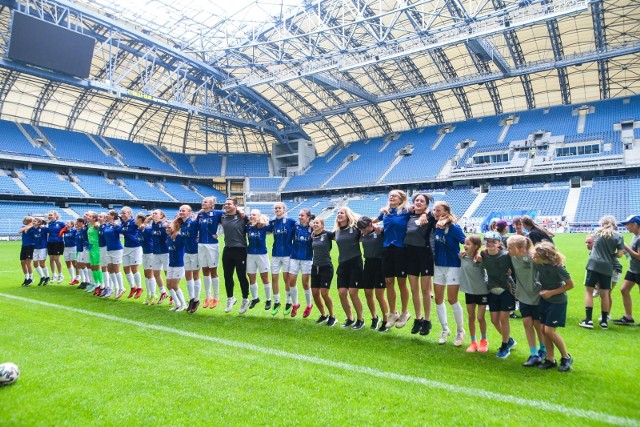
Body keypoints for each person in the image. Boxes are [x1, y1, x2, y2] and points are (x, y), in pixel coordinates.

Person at [533, 241, 574, 372]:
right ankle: (550, 359)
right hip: (544, 300)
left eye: (535, 256)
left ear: (544, 257)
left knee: (550, 331)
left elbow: (570, 285)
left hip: (557, 301)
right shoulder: (539, 263)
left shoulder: (558, 267)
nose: (533, 257)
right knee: (544, 330)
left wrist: (551, 293)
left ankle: (566, 357)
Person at [374, 190, 412, 329]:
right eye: (390, 196)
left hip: (401, 249)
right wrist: (372, 226)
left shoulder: (407, 210)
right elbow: (373, 221)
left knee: (402, 283)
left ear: (401, 199)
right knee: (389, 282)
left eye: (394, 196)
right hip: (386, 249)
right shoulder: (385, 212)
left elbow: (423, 212)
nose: (391, 197)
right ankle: (392, 313)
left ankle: (404, 312)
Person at [507, 235, 547, 366]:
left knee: (537, 323)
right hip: (523, 295)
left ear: (521, 248)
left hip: (537, 295)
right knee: (526, 322)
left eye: (510, 247)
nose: (508, 250)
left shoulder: (534, 258)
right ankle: (533, 353)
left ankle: (543, 349)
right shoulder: (512, 257)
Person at [579, 215, 624, 329]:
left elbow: (591, 246)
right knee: (605, 294)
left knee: (589, 291)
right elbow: (620, 254)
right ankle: (604, 322)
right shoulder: (619, 236)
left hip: (593, 265)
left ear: (603, 224)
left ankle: (588, 320)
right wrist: (610, 255)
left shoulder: (597, 233)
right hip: (607, 267)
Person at [432, 201, 466, 346]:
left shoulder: (455, 228)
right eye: (434, 210)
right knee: (438, 299)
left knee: (452, 299)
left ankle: (460, 331)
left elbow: (466, 241)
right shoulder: (435, 227)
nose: (435, 212)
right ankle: (445, 329)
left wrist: (468, 251)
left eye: (438, 210)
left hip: (453, 266)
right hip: (438, 266)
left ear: (446, 211)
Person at [404, 193, 436, 336]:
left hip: (425, 255)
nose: (418, 202)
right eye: (416, 200)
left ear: (426, 204)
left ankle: (427, 321)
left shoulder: (429, 217)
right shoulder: (408, 216)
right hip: (410, 256)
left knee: (425, 290)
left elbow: (441, 213)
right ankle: (418, 319)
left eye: (421, 201)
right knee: (414, 290)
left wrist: (427, 213)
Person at [481, 231, 516, 358]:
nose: (490, 244)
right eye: (488, 241)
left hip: (506, 290)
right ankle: (509, 340)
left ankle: (505, 345)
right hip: (492, 290)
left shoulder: (507, 256)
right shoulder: (483, 255)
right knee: (494, 320)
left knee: (503, 319)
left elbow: (516, 267)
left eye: (493, 242)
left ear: (499, 243)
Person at [333, 207, 365, 329]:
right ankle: (350, 318)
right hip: (342, 264)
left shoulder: (355, 229)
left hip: (355, 264)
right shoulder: (336, 231)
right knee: (342, 293)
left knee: (353, 293)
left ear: (348, 216)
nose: (339, 214)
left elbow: (367, 227)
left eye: (342, 212)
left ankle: (360, 319)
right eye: (338, 213)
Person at [357, 216, 389, 332]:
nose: (362, 230)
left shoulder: (380, 232)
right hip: (368, 264)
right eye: (360, 228)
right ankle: (375, 318)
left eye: (364, 228)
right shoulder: (362, 234)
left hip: (380, 264)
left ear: (370, 225)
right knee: (368, 292)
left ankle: (386, 321)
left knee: (379, 295)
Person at [220, 198, 251, 314]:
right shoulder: (222, 217)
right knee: (227, 276)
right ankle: (230, 298)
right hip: (227, 249)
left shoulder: (243, 217)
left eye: (229, 204)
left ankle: (245, 299)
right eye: (225, 203)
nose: (226, 205)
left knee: (241, 276)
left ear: (236, 206)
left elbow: (254, 222)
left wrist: (240, 211)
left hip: (241, 250)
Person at [458, 236, 488, 353]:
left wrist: (481, 256)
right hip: (469, 291)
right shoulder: (462, 256)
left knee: (480, 317)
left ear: (476, 246)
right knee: (471, 317)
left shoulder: (480, 258)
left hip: (482, 291)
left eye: (468, 244)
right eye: (465, 243)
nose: (465, 246)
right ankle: (473, 341)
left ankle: (484, 340)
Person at [267, 202, 296, 315]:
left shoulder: (290, 221)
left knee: (286, 278)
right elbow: (264, 229)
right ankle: (277, 301)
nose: (277, 209)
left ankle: (288, 302)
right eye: (276, 208)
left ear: (284, 210)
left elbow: (300, 226)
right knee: (274, 278)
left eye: (279, 208)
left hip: (288, 254)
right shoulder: (273, 222)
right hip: (275, 254)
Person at [196, 197, 224, 309]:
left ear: (212, 205)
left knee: (213, 270)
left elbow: (227, 221)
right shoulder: (200, 215)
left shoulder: (217, 213)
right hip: (201, 244)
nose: (203, 203)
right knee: (205, 270)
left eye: (206, 202)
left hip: (212, 245)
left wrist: (219, 233)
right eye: (203, 201)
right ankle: (208, 297)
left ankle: (216, 297)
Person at [613, 215, 640, 325]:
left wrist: (626, 247)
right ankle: (628, 317)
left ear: (635, 224)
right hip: (633, 269)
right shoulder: (635, 236)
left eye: (627, 224)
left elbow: (639, 256)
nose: (626, 226)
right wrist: (626, 252)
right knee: (624, 289)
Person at [310, 218, 337, 326]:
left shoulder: (327, 234)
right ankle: (323, 315)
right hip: (315, 267)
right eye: (314, 223)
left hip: (326, 267)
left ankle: (332, 316)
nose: (315, 224)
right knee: (315, 293)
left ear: (322, 225)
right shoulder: (313, 236)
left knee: (324, 293)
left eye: (318, 223)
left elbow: (337, 236)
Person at [287, 209, 314, 317]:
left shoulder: (312, 228)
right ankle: (296, 304)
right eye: (299, 215)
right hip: (294, 257)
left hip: (307, 258)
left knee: (305, 283)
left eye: (302, 215)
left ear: (308, 217)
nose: (300, 217)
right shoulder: (295, 226)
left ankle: (309, 305)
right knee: (291, 281)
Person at [177, 205, 201, 313]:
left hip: (195, 252)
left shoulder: (194, 222)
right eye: (180, 210)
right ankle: (191, 298)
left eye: (184, 210)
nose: (181, 212)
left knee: (196, 276)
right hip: (186, 252)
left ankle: (196, 299)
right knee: (188, 276)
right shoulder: (182, 224)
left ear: (189, 212)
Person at [246, 209, 271, 311]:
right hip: (250, 255)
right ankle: (255, 298)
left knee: (264, 277)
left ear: (259, 216)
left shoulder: (263, 227)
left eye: (254, 215)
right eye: (251, 214)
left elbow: (272, 226)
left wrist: (264, 222)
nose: (251, 216)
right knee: (251, 277)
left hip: (262, 255)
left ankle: (268, 299)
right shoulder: (248, 227)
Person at [116, 207, 143, 299]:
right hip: (127, 246)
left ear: (130, 214)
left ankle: (139, 288)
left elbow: (142, 224)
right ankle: (133, 287)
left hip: (135, 246)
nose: (122, 215)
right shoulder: (123, 223)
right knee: (126, 268)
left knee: (134, 268)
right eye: (121, 213)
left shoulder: (133, 222)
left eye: (124, 213)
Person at [147, 209, 170, 304]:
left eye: (156, 213)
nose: (153, 214)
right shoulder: (153, 225)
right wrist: (147, 219)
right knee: (156, 273)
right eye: (153, 213)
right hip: (155, 253)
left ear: (161, 216)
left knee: (168, 274)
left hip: (165, 252)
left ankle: (172, 294)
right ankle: (163, 292)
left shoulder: (165, 224)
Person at [165, 219, 187, 312]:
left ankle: (184, 304)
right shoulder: (168, 237)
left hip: (179, 264)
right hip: (171, 264)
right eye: (166, 227)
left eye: (169, 227)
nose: (167, 229)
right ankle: (177, 303)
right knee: (169, 285)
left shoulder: (180, 237)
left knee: (174, 285)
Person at [104, 210, 125, 299]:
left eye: (108, 214)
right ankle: (116, 288)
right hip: (109, 249)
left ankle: (121, 287)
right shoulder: (107, 225)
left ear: (112, 216)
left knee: (116, 269)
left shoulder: (116, 224)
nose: (107, 215)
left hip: (116, 249)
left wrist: (117, 226)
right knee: (110, 269)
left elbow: (122, 231)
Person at [136, 213, 156, 304]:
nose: (135, 220)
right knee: (146, 275)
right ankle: (149, 294)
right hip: (145, 253)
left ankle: (153, 294)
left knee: (150, 275)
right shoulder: (139, 230)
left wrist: (148, 221)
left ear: (140, 219)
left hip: (151, 253)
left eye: (136, 218)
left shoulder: (148, 229)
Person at [46, 210, 66, 283]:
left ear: (55, 216)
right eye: (49, 215)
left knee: (56, 258)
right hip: (50, 242)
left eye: (51, 215)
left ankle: (60, 274)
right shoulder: (49, 224)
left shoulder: (60, 223)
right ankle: (54, 274)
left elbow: (66, 228)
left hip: (58, 242)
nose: (50, 216)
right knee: (51, 259)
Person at [59, 221, 79, 285]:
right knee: (67, 262)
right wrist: (63, 230)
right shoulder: (65, 230)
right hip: (66, 248)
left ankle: (77, 276)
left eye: (68, 223)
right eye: (66, 223)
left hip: (73, 247)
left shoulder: (74, 230)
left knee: (74, 263)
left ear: (72, 225)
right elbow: (60, 235)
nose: (66, 224)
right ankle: (72, 276)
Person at [18, 216, 36, 286]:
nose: (24, 221)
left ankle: (31, 278)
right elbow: (20, 231)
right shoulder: (24, 227)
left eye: (25, 220)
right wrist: (28, 226)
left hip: (30, 246)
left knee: (28, 262)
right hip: (24, 246)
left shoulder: (33, 228)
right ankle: (26, 277)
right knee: (22, 262)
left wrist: (30, 225)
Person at [31, 218, 49, 286]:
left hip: (43, 247)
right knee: (35, 263)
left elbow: (50, 230)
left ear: (39, 222)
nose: (33, 222)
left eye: (34, 221)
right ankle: (42, 277)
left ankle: (47, 277)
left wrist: (45, 226)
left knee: (42, 263)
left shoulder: (44, 228)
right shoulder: (32, 229)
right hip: (35, 248)